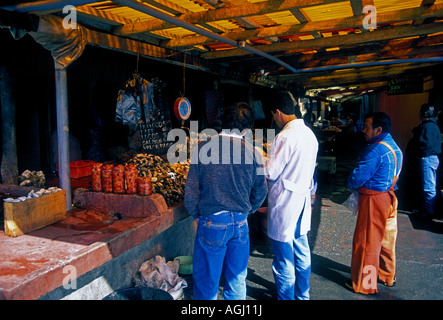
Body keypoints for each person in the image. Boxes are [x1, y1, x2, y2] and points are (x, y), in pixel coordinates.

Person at [184, 102, 267, 300]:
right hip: (240, 223)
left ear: (222, 123)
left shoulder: (203, 148)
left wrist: (198, 215)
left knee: (207, 282)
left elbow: (191, 193)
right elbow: (261, 191)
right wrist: (248, 209)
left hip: (212, 222)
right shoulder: (253, 152)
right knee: (237, 279)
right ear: (247, 129)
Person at [264, 91, 318, 300]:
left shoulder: (284, 136)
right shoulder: (309, 135)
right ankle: (303, 295)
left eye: (274, 116)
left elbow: (271, 171)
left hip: (286, 204)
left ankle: (286, 298)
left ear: (278, 112)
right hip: (302, 201)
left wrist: (261, 159)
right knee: (302, 250)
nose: (275, 120)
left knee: (284, 258)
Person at [346, 112, 403, 295]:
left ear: (378, 129)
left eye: (367, 127)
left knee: (367, 245)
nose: (364, 130)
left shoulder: (374, 151)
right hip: (390, 198)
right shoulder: (394, 146)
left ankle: (366, 284)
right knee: (387, 241)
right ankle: (387, 276)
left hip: (373, 200)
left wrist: (350, 182)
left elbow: (357, 178)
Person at [406, 104, 441, 217]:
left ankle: (428, 212)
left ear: (425, 113)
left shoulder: (429, 127)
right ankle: (426, 209)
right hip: (429, 158)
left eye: (421, 111)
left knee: (428, 186)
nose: (419, 114)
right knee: (427, 185)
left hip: (428, 158)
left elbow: (426, 145)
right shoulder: (431, 126)